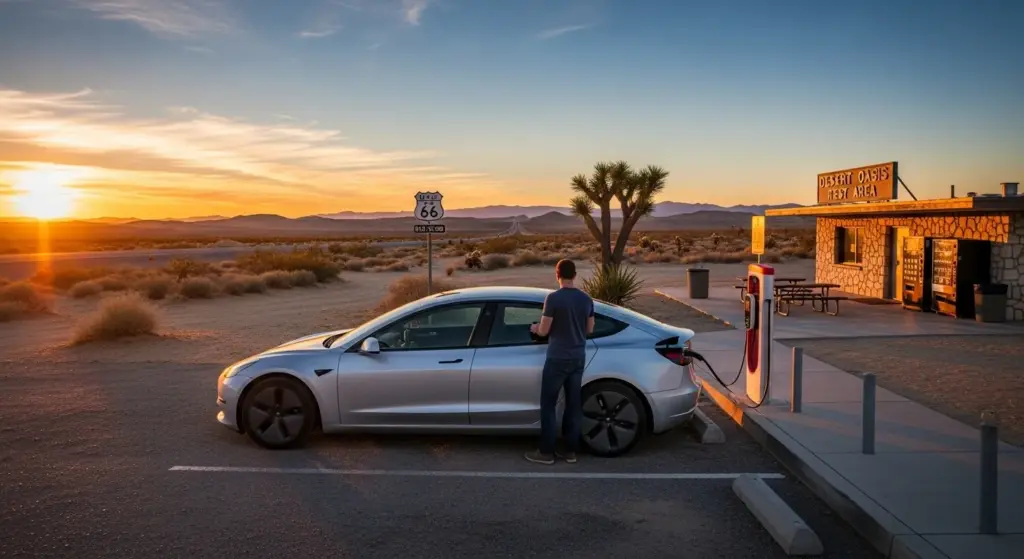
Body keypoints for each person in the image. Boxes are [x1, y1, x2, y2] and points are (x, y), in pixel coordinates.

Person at [525, 259, 594, 465]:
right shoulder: (586, 299)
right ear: (575, 275)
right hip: (578, 357)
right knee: (573, 405)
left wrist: (535, 328)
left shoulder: (553, 298)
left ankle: (546, 452)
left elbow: (545, 330)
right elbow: (589, 329)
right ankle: (570, 452)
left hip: (557, 358)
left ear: (557, 275)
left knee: (548, 404)